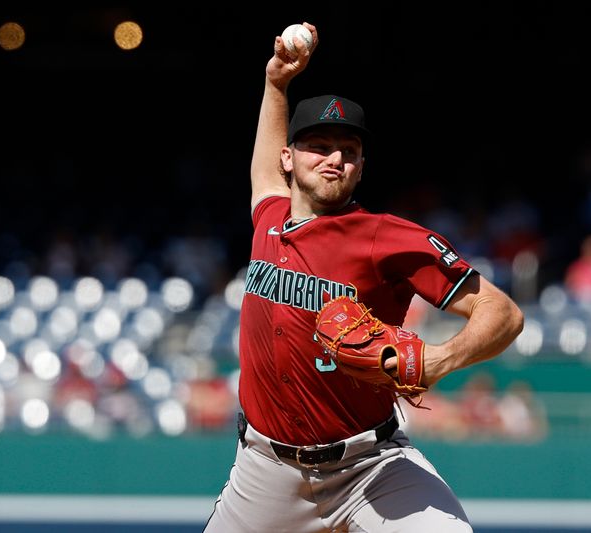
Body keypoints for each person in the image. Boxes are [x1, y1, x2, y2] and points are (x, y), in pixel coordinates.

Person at [204, 22, 524, 533]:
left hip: (370, 466)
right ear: (290, 158)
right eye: (318, 145)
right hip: (265, 470)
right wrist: (276, 84)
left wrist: (439, 361)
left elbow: (503, 313)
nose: (334, 158)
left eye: (348, 150)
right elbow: (263, 169)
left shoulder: (384, 236)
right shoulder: (269, 216)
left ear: (361, 166)